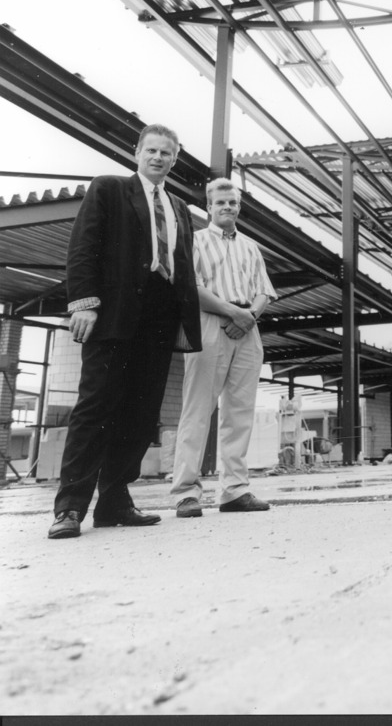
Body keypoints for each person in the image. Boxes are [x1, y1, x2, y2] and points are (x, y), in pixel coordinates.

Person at [48, 124, 201, 539]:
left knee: (141, 412)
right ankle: (69, 507)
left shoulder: (179, 207)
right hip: (114, 315)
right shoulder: (109, 188)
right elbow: (83, 246)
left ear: (174, 159)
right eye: (151, 150)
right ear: (137, 152)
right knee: (95, 407)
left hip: (159, 319)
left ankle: (115, 502)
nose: (158, 158)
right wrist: (84, 303)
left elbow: (183, 265)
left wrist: (184, 321)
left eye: (166, 153)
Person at [171, 178, 276, 517]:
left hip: (248, 327)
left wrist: (248, 316)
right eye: (220, 202)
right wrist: (234, 313)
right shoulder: (195, 241)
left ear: (238, 207)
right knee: (198, 409)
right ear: (209, 207)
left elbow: (264, 291)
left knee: (240, 412)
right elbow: (192, 287)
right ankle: (186, 492)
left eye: (232, 202)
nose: (227, 207)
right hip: (210, 323)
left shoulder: (250, 246)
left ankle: (234, 490)